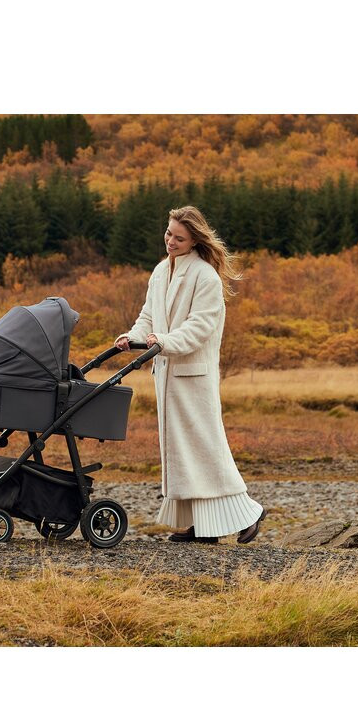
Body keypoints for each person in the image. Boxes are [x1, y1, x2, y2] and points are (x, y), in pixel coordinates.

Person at [114, 205, 266, 545]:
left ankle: (249, 512)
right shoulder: (160, 272)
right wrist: (132, 337)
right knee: (182, 451)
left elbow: (199, 327)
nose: (170, 241)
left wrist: (163, 342)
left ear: (195, 240)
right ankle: (199, 525)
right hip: (167, 376)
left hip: (193, 378)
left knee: (206, 447)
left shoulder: (205, 277)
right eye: (169, 234)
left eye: (179, 238)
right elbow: (148, 316)